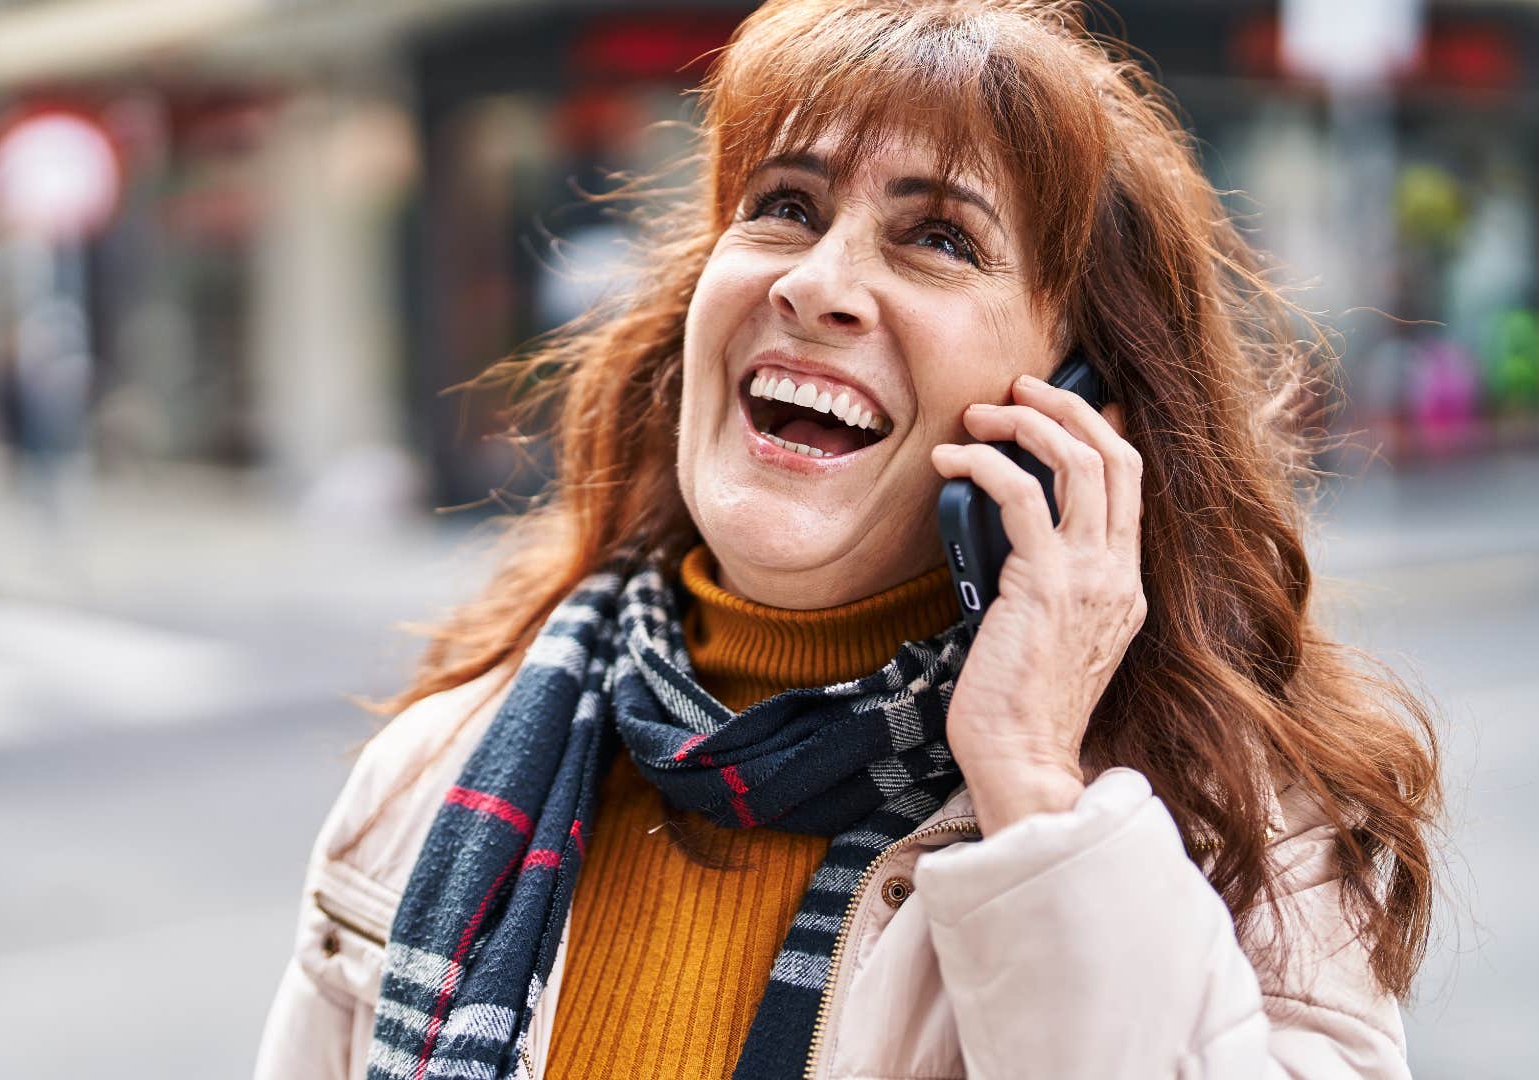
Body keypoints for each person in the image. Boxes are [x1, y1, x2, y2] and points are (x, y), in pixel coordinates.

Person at [253, 1, 1441, 1077]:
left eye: (939, 237)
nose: (819, 284)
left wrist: (1031, 784)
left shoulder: (1236, 838)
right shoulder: (429, 776)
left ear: (1081, 411)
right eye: (785, 207)